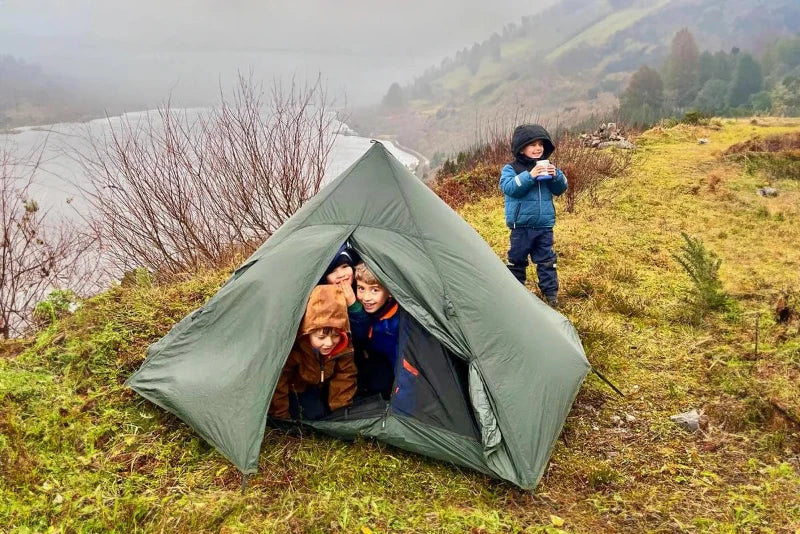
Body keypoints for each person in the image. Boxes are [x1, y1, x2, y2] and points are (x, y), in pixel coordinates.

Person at [499, 124, 568, 306]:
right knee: (517, 262)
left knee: (547, 262)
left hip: (544, 226)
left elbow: (560, 189)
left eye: (541, 144)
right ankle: (515, 295)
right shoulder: (511, 169)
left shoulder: (548, 166)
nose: (538, 148)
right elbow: (509, 188)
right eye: (532, 144)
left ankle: (551, 296)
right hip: (520, 226)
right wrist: (530, 176)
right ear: (521, 147)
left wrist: (557, 176)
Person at [268, 284, 357, 420]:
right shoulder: (297, 348)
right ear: (308, 333)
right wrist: (281, 416)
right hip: (298, 389)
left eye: (335, 335)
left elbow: (345, 376)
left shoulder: (343, 345)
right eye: (321, 337)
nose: (329, 343)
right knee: (314, 414)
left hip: (323, 385)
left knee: (327, 414)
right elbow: (280, 382)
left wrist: (341, 412)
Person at [349, 262, 401, 399]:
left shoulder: (396, 321)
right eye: (361, 288)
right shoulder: (365, 311)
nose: (366, 297)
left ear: (389, 292)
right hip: (372, 356)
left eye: (375, 290)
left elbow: (400, 358)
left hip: (392, 363)